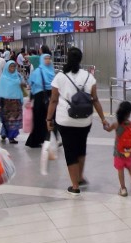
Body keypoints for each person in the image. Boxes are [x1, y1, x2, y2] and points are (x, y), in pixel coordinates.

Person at [46, 47, 108, 195]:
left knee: (70, 151)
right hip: (85, 120)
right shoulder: (88, 77)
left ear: (67, 58)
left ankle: (75, 186)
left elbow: (53, 100)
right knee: (81, 148)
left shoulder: (60, 77)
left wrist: (49, 118)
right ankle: (79, 177)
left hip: (65, 120)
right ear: (81, 59)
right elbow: (95, 100)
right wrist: (103, 119)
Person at [108, 101, 131, 197]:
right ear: (129, 113)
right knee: (129, 166)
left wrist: (105, 124)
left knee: (120, 169)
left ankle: (123, 189)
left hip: (119, 151)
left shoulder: (116, 124)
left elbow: (108, 129)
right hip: (128, 150)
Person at [25, 53, 55, 148]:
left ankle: (46, 139)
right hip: (39, 97)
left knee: (49, 118)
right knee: (38, 119)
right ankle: (34, 141)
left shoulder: (52, 71)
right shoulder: (37, 71)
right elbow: (32, 85)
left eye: (49, 58)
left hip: (50, 97)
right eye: (45, 58)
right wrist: (30, 99)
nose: (47, 60)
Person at [0, 60, 27, 143]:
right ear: (7, 67)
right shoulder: (3, 77)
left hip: (16, 103)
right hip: (6, 103)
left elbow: (25, 84)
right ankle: (4, 134)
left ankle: (11, 137)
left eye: (14, 66)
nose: (12, 68)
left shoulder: (18, 76)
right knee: (5, 120)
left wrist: (22, 84)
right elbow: (0, 91)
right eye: (11, 66)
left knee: (14, 120)